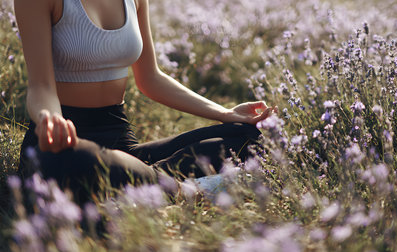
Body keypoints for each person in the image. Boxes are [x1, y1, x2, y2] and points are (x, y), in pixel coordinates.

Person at [14, 0, 272, 203]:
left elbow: (150, 78)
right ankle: (186, 191)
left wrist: (225, 113)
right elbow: (41, 87)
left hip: (122, 143)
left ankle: (140, 181)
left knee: (249, 136)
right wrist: (52, 120)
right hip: (64, 142)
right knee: (73, 162)